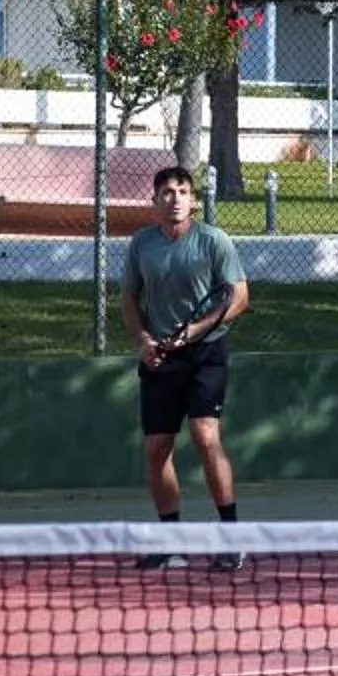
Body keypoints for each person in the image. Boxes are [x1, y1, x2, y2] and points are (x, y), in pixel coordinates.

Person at [121, 163, 251, 572]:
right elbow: (129, 300)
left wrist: (193, 331)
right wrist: (144, 341)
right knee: (157, 447)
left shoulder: (214, 242)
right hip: (160, 356)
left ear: (193, 200)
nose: (175, 199)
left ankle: (231, 539)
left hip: (206, 353)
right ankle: (170, 543)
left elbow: (240, 298)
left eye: (182, 192)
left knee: (204, 434)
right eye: (166, 193)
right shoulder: (142, 244)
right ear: (155, 201)